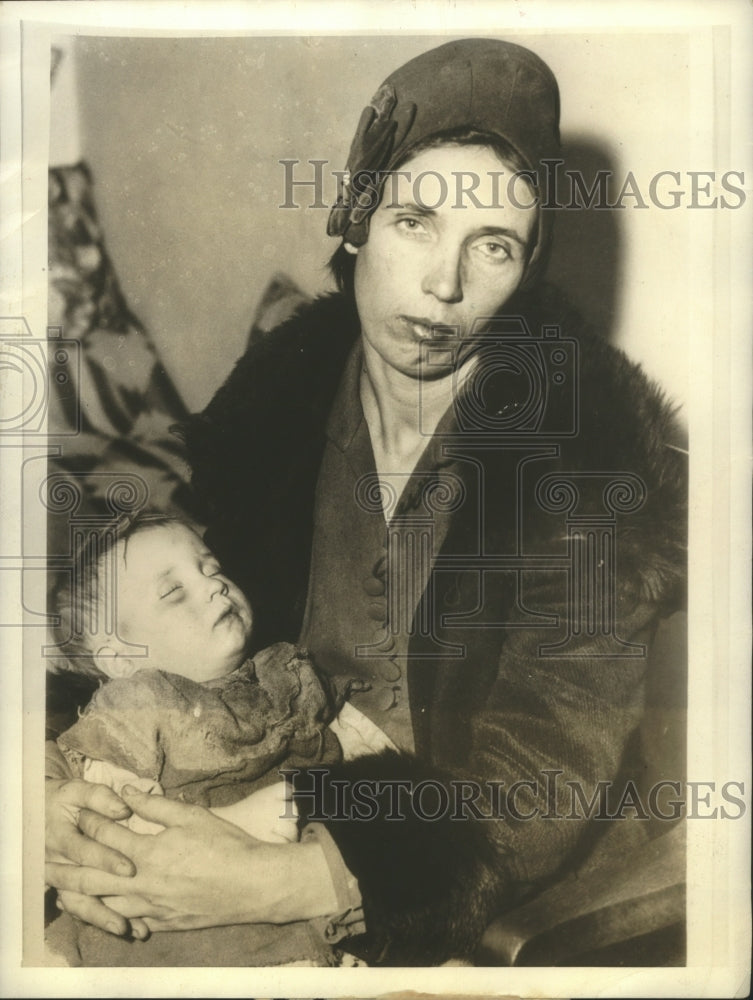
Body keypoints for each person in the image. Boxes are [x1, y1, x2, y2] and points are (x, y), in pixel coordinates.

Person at [45, 38, 686, 966]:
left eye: (492, 247)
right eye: (415, 221)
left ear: (527, 269)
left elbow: (547, 772)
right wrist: (54, 806)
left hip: (483, 874)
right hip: (262, 796)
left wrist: (278, 880)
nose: (443, 285)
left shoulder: (588, 455)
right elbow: (138, 608)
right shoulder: (274, 401)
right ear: (356, 219)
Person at [45, 512, 387, 966]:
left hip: (300, 907)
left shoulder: (283, 670)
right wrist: (241, 821)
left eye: (211, 567)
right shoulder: (135, 704)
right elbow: (118, 829)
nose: (214, 585)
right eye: (173, 592)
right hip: (189, 936)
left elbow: (355, 741)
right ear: (120, 657)